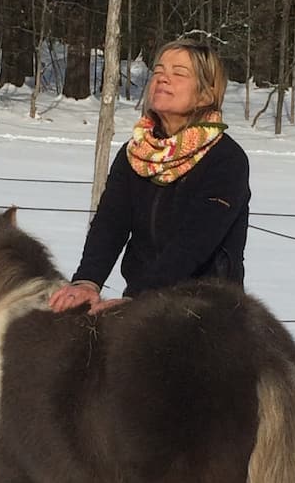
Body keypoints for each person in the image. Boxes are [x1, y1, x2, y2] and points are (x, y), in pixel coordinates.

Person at [49, 37, 250, 314]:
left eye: (179, 73)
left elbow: (194, 242)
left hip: (208, 310)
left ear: (206, 94)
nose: (163, 79)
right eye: (158, 71)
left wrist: (140, 298)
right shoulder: (136, 152)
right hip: (143, 303)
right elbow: (111, 223)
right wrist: (88, 281)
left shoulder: (226, 159)